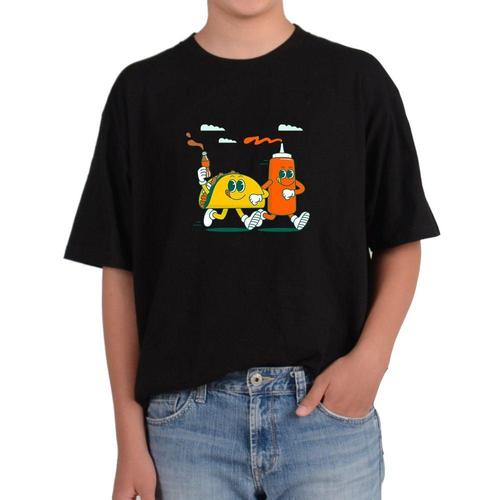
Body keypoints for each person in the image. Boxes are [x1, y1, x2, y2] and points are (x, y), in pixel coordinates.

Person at [64, 1, 440, 498]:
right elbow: (120, 271)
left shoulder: (357, 82)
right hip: (186, 429)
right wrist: (128, 436)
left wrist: (371, 361)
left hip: (325, 417)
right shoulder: (141, 92)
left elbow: (400, 239)